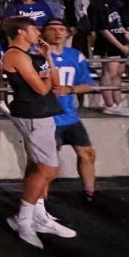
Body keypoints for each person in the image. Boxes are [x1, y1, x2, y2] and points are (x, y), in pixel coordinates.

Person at [2, 16, 76, 249]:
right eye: (34, 29)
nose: (39, 32)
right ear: (22, 32)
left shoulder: (34, 55)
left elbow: (53, 83)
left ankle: (38, 215)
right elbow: (42, 88)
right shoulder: (15, 55)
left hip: (43, 114)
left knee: (38, 166)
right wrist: (46, 76)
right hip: (32, 115)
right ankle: (23, 219)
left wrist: (47, 57)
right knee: (49, 169)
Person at [43, 19, 98, 202]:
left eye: (61, 29)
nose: (57, 33)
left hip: (69, 115)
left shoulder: (76, 55)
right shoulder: (37, 55)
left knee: (87, 153)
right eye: (52, 29)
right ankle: (40, 203)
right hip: (47, 116)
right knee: (46, 163)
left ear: (67, 33)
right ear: (44, 33)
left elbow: (87, 85)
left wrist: (69, 89)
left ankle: (89, 194)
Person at [88, 0, 129, 116]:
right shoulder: (96, 7)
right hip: (109, 44)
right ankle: (109, 104)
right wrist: (120, 46)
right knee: (109, 73)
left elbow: (123, 27)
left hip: (121, 42)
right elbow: (103, 30)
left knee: (118, 75)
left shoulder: (115, 6)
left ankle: (118, 103)